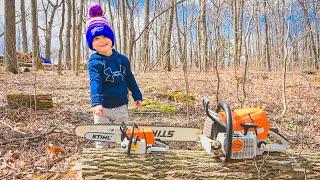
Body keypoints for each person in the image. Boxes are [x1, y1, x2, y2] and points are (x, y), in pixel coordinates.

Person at [85, 3, 142, 148]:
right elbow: (95, 82)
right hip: (103, 108)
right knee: (102, 140)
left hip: (121, 106)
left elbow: (130, 78)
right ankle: (101, 161)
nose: (102, 40)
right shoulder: (94, 62)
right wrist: (96, 103)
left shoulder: (122, 60)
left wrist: (137, 95)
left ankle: (119, 162)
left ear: (111, 38)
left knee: (122, 139)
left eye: (105, 36)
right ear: (92, 43)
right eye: (96, 38)